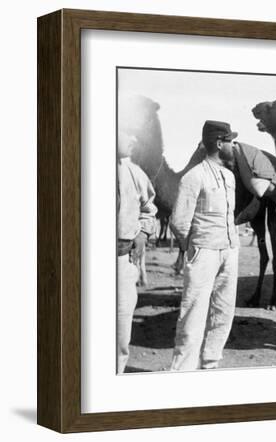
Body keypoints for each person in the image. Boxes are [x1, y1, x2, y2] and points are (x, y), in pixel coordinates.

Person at [169, 120, 240, 371]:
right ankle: (182, 371)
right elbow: (178, 221)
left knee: (223, 311)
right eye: (230, 141)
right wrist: (194, 248)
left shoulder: (230, 177)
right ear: (220, 144)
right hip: (204, 252)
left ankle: (210, 363)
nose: (234, 145)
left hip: (229, 252)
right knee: (193, 313)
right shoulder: (194, 176)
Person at [117, 130, 157, 374]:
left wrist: (143, 232)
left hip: (122, 261)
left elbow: (148, 209)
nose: (133, 140)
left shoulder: (134, 172)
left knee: (120, 334)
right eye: (126, 133)